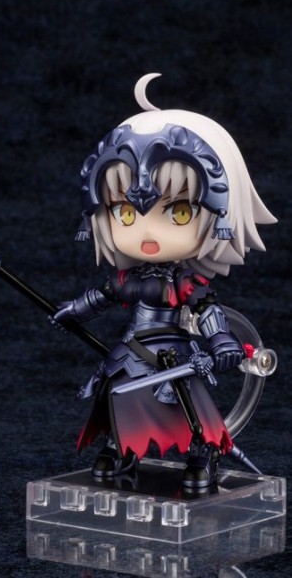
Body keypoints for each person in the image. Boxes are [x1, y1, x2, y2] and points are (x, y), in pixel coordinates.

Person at [50, 74, 276, 489]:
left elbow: (207, 310)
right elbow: (102, 295)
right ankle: (121, 449)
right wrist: (73, 311)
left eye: (178, 212)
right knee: (118, 397)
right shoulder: (128, 277)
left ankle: (202, 454)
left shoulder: (184, 282)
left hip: (174, 356)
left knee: (190, 412)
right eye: (125, 213)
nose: (146, 231)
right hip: (131, 352)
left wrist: (222, 342)